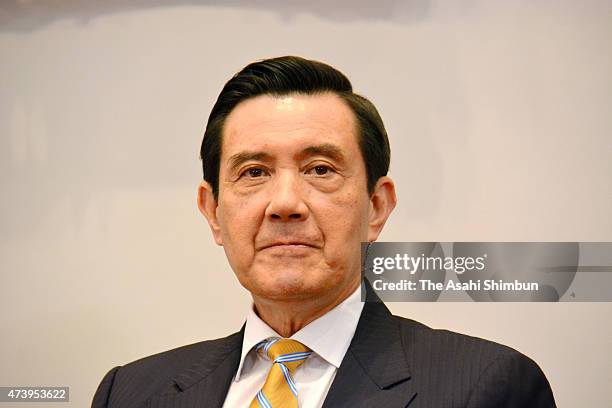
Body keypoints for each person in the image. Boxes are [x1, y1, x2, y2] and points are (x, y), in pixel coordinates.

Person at [92, 56, 556, 408]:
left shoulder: (488, 385)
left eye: (320, 169)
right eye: (253, 172)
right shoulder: (130, 392)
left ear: (377, 207)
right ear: (213, 211)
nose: (286, 204)